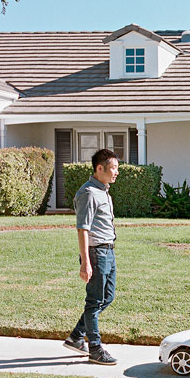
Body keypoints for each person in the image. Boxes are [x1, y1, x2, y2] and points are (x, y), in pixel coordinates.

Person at [63, 148, 120, 365]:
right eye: (113, 168)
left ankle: (76, 336)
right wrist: (86, 262)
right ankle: (95, 349)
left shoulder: (102, 190)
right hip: (96, 253)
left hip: (108, 250)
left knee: (108, 297)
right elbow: (82, 229)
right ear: (99, 168)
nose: (116, 172)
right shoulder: (88, 193)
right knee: (94, 301)